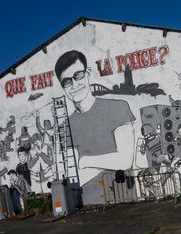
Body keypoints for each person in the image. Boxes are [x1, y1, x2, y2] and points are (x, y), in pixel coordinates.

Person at [54, 50, 136, 186]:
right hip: (82, 202)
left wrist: (84, 161)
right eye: (67, 82)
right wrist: (107, 162)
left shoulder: (118, 108)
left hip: (122, 198)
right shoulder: (65, 127)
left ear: (89, 74)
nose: (74, 85)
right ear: (63, 88)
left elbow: (125, 161)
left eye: (78, 76)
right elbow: (73, 176)